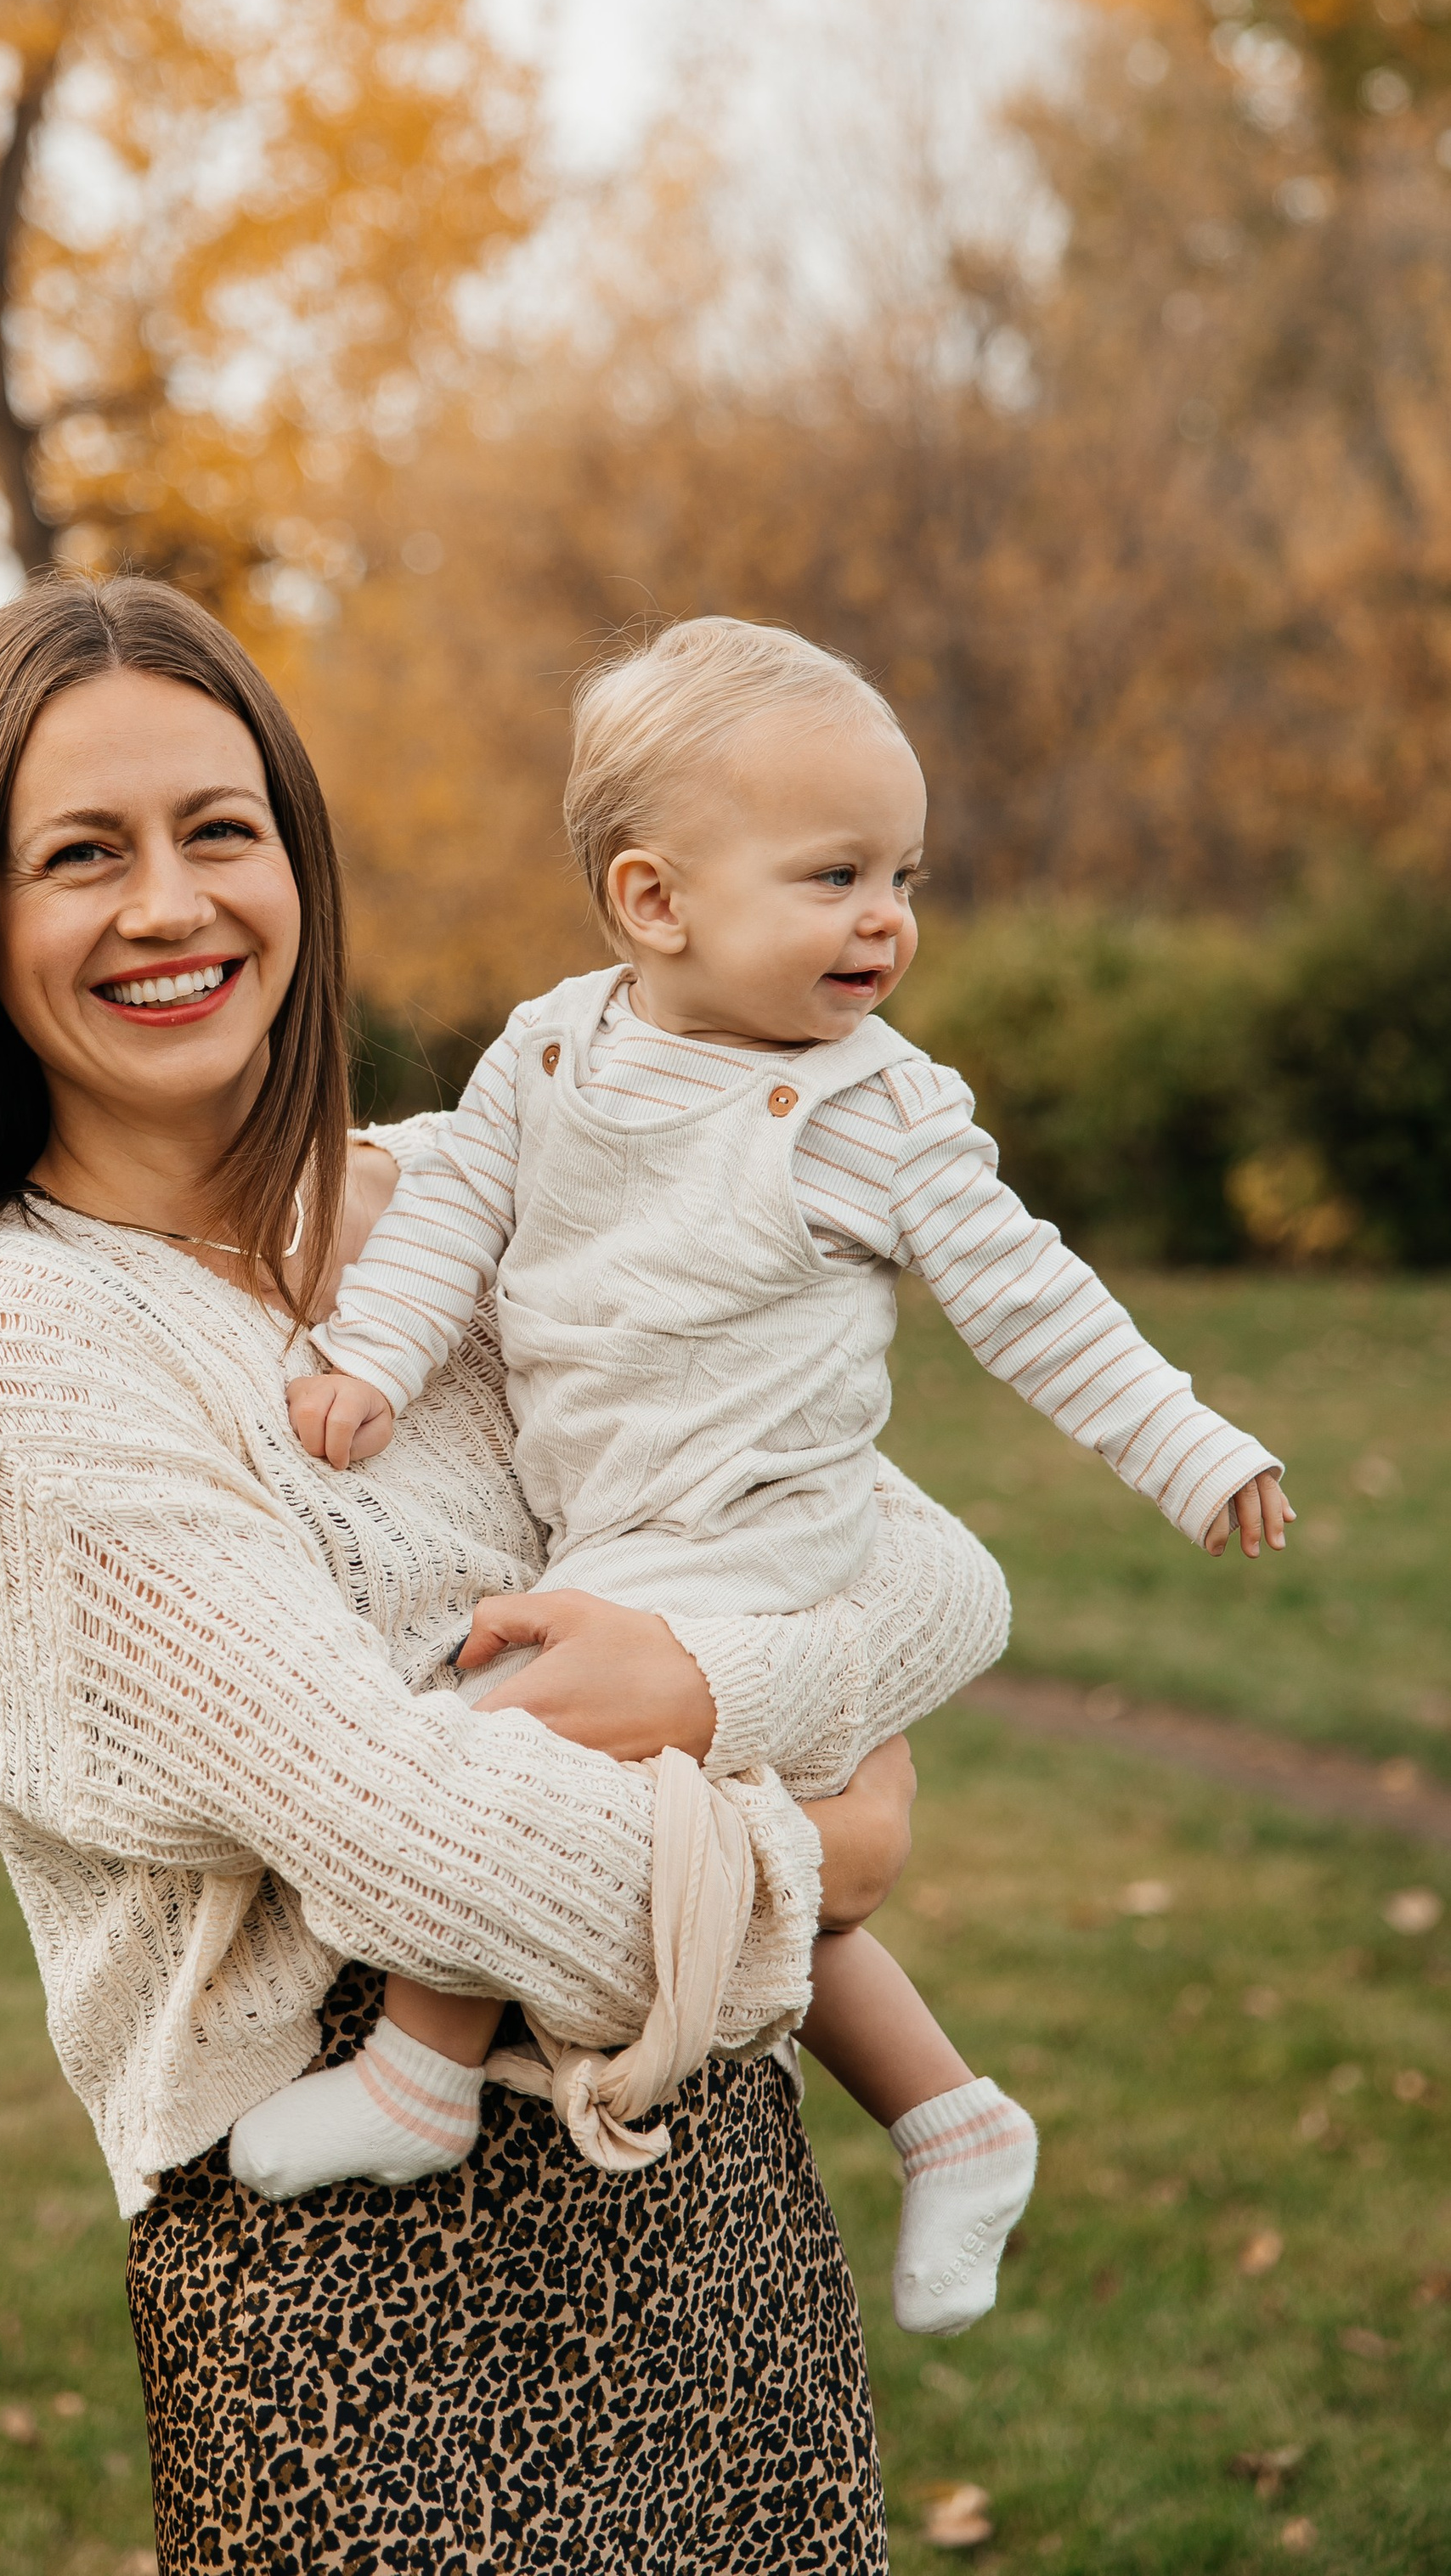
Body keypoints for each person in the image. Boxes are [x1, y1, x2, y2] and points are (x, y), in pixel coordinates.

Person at [0, 575, 1011, 2570]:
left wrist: (712, 1694)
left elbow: (933, 1572)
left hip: (716, 2225)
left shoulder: (486, 1199)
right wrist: (830, 1841)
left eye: (220, 830)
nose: (168, 906)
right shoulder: (11, 1347)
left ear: (296, 874)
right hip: (362, 2322)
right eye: (82, 856)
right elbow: (432, 1856)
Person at [243, 615, 1290, 2341]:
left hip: (751, 1530)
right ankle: (953, 2116)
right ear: (654, 902)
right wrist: (370, 1362)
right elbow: (448, 1222)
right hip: (615, 1521)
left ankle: (419, 2077)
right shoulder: (550, 1051)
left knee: (503, 1741)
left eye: (901, 876)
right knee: (734, 1846)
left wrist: (1190, 1447)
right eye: (833, 876)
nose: (885, 918)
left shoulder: (870, 1114)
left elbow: (1032, 1299)